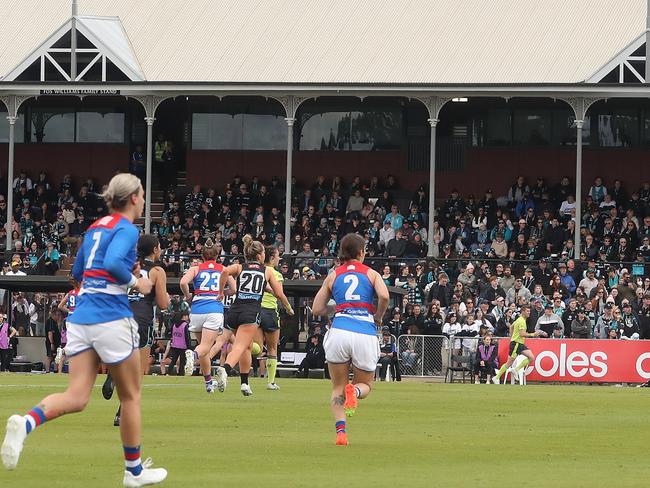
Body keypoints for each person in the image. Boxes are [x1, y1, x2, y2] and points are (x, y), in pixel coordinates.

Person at [1, 173, 167, 486]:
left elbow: (78, 271)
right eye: (142, 194)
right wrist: (137, 281)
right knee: (131, 396)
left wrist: (112, 272)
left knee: (76, 396)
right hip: (111, 316)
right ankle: (133, 472)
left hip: (82, 316)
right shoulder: (126, 229)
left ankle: (25, 424)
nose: (143, 199)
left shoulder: (94, 228)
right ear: (133, 198)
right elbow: (116, 264)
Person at [312, 233, 389, 446]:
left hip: (339, 331)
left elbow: (317, 309)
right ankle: (354, 392)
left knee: (337, 387)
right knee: (365, 384)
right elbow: (384, 296)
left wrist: (340, 306)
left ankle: (341, 434)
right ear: (361, 252)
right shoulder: (371, 273)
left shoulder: (334, 275)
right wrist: (378, 317)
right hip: (364, 331)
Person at [216, 235, 294, 396]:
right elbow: (279, 294)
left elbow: (224, 271)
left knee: (247, 346)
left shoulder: (240, 267)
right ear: (260, 255)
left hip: (234, 310)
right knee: (240, 346)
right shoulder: (267, 271)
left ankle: (244, 383)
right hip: (250, 312)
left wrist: (220, 293)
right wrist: (287, 307)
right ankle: (225, 368)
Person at [105, 235, 170, 426]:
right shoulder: (157, 271)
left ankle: (112, 375)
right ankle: (121, 413)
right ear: (156, 249)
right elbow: (163, 303)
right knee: (138, 372)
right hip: (142, 320)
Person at [180, 239, 229, 394]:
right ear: (217, 255)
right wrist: (222, 293)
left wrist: (188, 295)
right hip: (213, 309)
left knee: (204, 349)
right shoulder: (222, 268)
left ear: (202, 255)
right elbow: (233, 288)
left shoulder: (196, 268)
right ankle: (192, 354)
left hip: (197, 309)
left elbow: (183, 282)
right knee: (204, 347)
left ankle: (208, 382)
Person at [255, 245, 286, 390]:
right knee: (273, 348)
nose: (279, 258)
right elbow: (279, 294)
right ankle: (271, 382)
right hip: (270, 312)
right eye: (278, 255)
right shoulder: (276, 274)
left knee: (257, 348)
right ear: (272, 258)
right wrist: (288, 307)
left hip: (255, 310)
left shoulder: (258, 271)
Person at [492, 304, 547, 384]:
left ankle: (515, 370)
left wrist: (511, 338)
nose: (529, 313)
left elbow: (511, 327)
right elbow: (522, 334)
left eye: (529, 311)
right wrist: (532, 334)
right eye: (527, 311)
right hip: (517, 344)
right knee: (509, 363)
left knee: (531, 357)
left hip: (518, 343)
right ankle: (497, 377)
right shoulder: (521, 321)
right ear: (523, 312)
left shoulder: (520, 319)